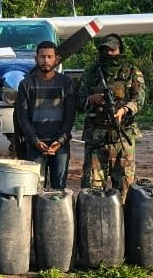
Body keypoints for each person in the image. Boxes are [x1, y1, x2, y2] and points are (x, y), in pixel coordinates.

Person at [78, 33, 145, 194]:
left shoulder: (132, 72)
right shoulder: (91, 73)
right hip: (96, 136)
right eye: (105, 50)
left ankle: (123, 218)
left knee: (124, 185)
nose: (109, 54)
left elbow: (139, 99)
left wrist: (124, 109)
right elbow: (78, 101)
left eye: (113, 50)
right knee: (92, 187)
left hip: (123, 134)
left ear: (120, 50)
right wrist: (92, 99)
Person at [15, 41, 76, 189]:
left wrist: (60, 140)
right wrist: (35, 141)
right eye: (42, 57)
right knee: (35, 188)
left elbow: (70, 115)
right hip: (35, 146)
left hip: (59, 146)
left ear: (57, 59)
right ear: (36, 59)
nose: (46, 61)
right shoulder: (26, 84)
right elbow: (22, 116)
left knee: (59, 189)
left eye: (50, 56)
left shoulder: (66, 83)